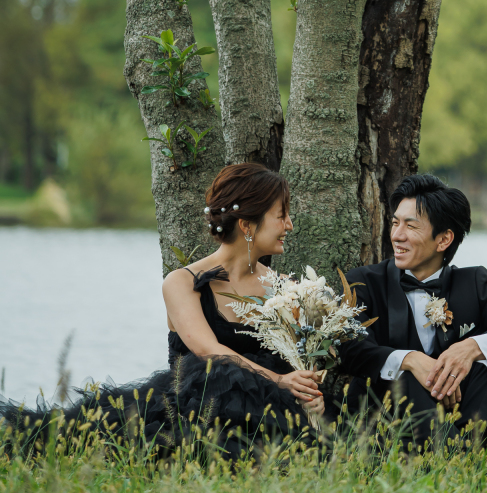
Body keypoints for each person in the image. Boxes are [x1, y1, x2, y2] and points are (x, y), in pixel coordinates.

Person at [2, 163, 323, 459]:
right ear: (247, 225)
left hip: (268, 415)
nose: (289, 225)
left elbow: (299, 364)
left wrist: (307, 392)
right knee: (217, 373)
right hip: (195, 413)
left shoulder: (287, 290)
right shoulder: (182, 283)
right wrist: (280, 381)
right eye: (281, 215)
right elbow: (207, 350)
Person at [340, 173, 487, 448]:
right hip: (390, 429)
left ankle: (469, 448)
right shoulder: (363, 282)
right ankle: (455, 460)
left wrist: (470, 348)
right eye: (395, 223)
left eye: (411, 226)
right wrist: (410, 360)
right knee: (408, 374)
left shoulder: (472, 283)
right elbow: (350, 350)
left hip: (467, 415)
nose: (396, 235)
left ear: (444, 239)